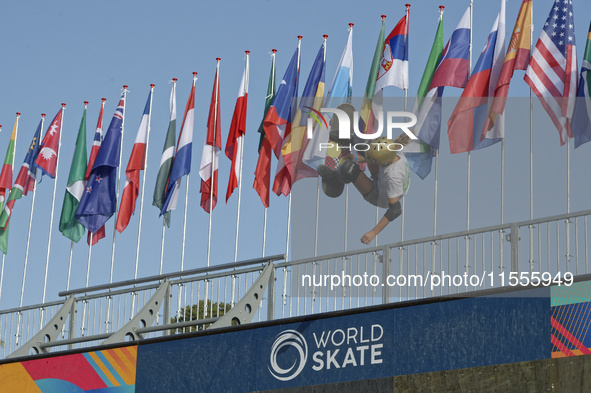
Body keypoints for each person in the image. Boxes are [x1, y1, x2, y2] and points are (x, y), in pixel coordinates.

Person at [318, 135, 411, 245]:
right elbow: (375, 155)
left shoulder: (393, 177)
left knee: (349, 169)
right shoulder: (393, 151)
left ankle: (335, 178)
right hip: (382, 180)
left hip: (379, 196)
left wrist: (373, 232)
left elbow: (395, 210)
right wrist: (358, 158)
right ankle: (349, 139)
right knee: (365, 144)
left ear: (385, 163)